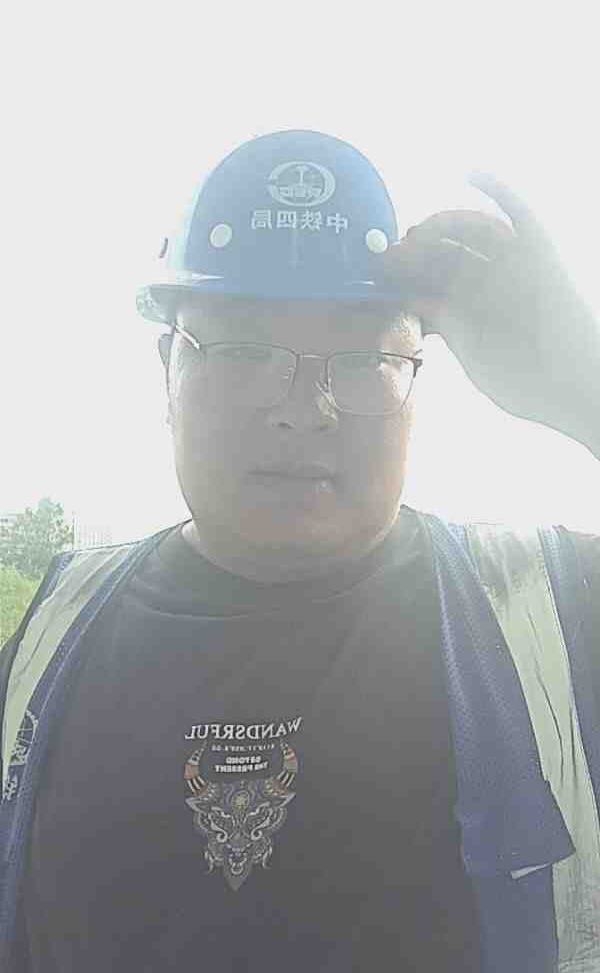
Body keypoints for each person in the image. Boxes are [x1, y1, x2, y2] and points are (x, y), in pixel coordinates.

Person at [1, 129, 600, 972]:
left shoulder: (555, 615)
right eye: (243, 353)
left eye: (361, 358)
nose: (302, 409)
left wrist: (585, 385)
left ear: (417, 382)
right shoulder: (50, 632)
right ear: (167, 370)